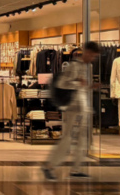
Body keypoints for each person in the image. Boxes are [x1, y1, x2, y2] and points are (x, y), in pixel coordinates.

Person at [42, 41, 100, 181]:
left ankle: (76, 169)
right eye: (92, 55)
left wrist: (90, 86)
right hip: (72, 108)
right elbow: (62, 83)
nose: (92, 58)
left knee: (83, 139)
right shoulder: (73, 65)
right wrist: (78, 83)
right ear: (86, 52)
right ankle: (49, 166)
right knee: (67, 138)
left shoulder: (87, 67)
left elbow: (82, 87)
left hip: (82, 108)